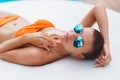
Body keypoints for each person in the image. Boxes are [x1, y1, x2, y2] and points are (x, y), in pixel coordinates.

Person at [0, 4, 111, 67]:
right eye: (78, 30)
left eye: (78, 42)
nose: (73, 35)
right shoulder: (67, 36)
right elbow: (99, 8)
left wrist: (27, 38)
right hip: (9, 16)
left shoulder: (40, 54)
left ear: (78, 56)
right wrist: (106, 43)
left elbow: (1, 51)